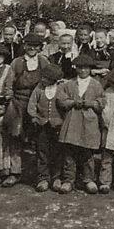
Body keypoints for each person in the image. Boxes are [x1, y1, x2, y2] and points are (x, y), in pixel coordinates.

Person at [1, 33, 51, 187]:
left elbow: (49, 81)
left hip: (37, 102)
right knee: (16, 138)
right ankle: (15, 173)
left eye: (36, 46)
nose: (32, 48)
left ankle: (40, 175)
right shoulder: (17, 62)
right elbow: (9, 84)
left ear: (40, 47)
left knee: (39, 140)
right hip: (19, 103)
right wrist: (10, 100)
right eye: (29, 45)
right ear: (24, 45)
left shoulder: (43, 61)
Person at [56, 54, 106, 194]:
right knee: (70, 152)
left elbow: (102, 101)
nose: (83, 71)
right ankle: (68, 180)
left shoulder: (96, 84)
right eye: (80, 68)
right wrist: (72, 102)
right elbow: (61, 100)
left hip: (89, 122)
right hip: (72, 120)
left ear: (90, 69)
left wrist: (92, 103)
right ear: (76, 68)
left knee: (87, 153)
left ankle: (88, 179)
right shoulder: (69, 84)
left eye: (86, 68)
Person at [27, 63, 64, 192]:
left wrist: (63, 120)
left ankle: (56, 178)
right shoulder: (39, 88)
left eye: (46, 78)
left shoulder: (61, 88)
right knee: (42, 152)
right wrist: (35, 117)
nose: (43, 80)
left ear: (54, 79)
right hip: (42, 125)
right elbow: (32, 104)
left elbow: (65, 106)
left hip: (58, 126)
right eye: (42, 77)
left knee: (57, 152)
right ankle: (43, 178)